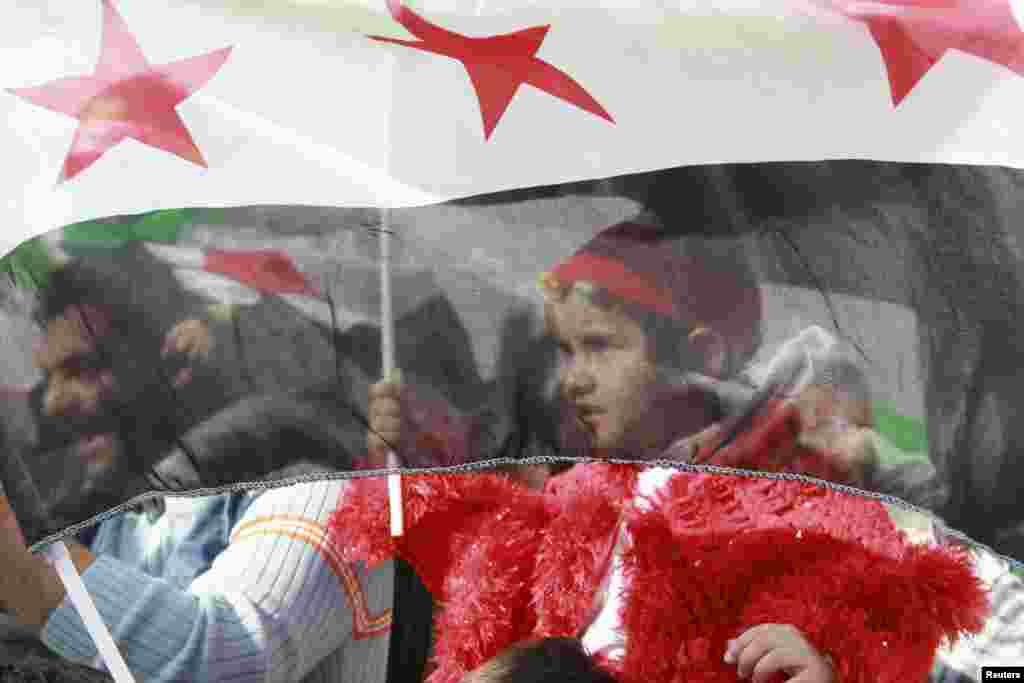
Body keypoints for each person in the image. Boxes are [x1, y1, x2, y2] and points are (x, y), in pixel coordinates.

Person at [340, 219, 988, 683]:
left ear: (699, 359)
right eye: (565, 350)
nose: (572, 378)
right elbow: (490, 576)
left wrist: (827, 663)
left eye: (600, 346)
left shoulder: (795, 488)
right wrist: (419, 470)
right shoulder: (588, 487)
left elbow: (877, 613)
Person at [0, 247, 395, 682]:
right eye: (49, 377)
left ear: (177, 358)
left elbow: (228, 656)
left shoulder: (325, 488)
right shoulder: (103, 509)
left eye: (83, 368)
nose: (54, 403)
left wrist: (25, 568)